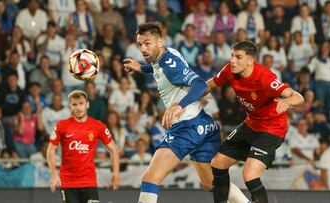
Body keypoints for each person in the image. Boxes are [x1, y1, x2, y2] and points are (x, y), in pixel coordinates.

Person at [123, 22, 249, 203]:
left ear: (160, 42)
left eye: (147, 43)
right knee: (211, 182)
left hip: (186, 126)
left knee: (150, 179)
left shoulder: (168, 63)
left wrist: (178, 106)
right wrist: (141, 68)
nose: (143, 48)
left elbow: (199, 84)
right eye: (140, 44)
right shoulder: (167, 54)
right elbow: (161, 69)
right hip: (203, 123)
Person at [206, 41, 304, 203]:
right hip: (251, 124)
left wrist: (287, 102)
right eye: (232, 56)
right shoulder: (229, 71)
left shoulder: (265, 78)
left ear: (250, 61)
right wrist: (183, 102)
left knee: (249, 175)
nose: (233, 61)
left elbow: (298, 97)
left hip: (272, 129)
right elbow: (208, 85)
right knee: (217, 163)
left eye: (238, 57)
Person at [46, 90, 120, 203]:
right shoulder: (62, 125)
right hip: (68, 182)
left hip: (89, 181)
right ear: (70, 106)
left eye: (81, 103)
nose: (78, 108)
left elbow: (113, 150)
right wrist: (53, 173)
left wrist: (115, 173)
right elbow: (51, 149)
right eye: (74, 104)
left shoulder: (98, 126)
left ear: (87, 104)